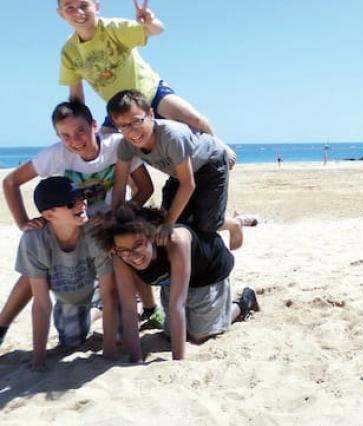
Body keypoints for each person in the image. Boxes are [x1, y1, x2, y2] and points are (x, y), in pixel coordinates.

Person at [0, 101, 158, 347]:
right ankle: (2, 325)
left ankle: (149, 309)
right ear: (57, 136)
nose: (75, 140)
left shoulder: (116, 146)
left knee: (127, 255)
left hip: (113, 224)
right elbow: (10, 183)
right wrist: (24, 223)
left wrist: (118, 215)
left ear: (94, 125)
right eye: (65, 135)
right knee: (36, 262)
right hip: (76, 222)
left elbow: (145, 188)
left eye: (80, 131)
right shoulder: (57, 154)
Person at [56, 0, 236, 167]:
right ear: (61, 14)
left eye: (84, 5)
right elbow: (76, 97)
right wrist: (76, 128)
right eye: (70, 8)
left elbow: (157, 30)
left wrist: (150, 21)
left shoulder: (113, 29)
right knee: (107, 151)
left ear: (97, 6)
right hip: (120, 109)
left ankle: (219, 146)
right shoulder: (69, 52)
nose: (78, 12)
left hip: (151, 92)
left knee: (196, 119)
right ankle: (128, 191)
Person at [93, 203, 259, 361]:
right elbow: (129, 309)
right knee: (172, 334)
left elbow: (177, 305)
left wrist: (177, 362)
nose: (133, 255)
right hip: (171, 279)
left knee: (201, 335)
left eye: (138, 245)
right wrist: (135, 359)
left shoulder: (175, 242)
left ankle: (243, 303)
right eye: (124, 250)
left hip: (207, 271)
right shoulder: (120, 256)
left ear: (152, 237)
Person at [107, 90, 238, 245]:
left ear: (150, 114)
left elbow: (188, 184)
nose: (131, 131)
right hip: (180, 171)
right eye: (123, 126)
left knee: (206, 224)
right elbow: (120, 186)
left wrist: (169, 224)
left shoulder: (172, 137)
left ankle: (235, 224)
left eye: (136, 121)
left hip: (210, 163)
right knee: (166, 218)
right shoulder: (125, 145)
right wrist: (115, 219)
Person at [13, 177, 118, 369]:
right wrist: (38, 361)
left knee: (122, 333)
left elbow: (109, 294)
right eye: (71, 202)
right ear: (49, 215)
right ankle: (95, 310)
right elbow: (42, 305)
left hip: (106, 285)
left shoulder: (95, 231)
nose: (81, 203)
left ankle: (136, 306)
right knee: (71, 340)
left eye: (82, 196)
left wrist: (108, 354)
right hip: (74, 292)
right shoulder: (34, 240)